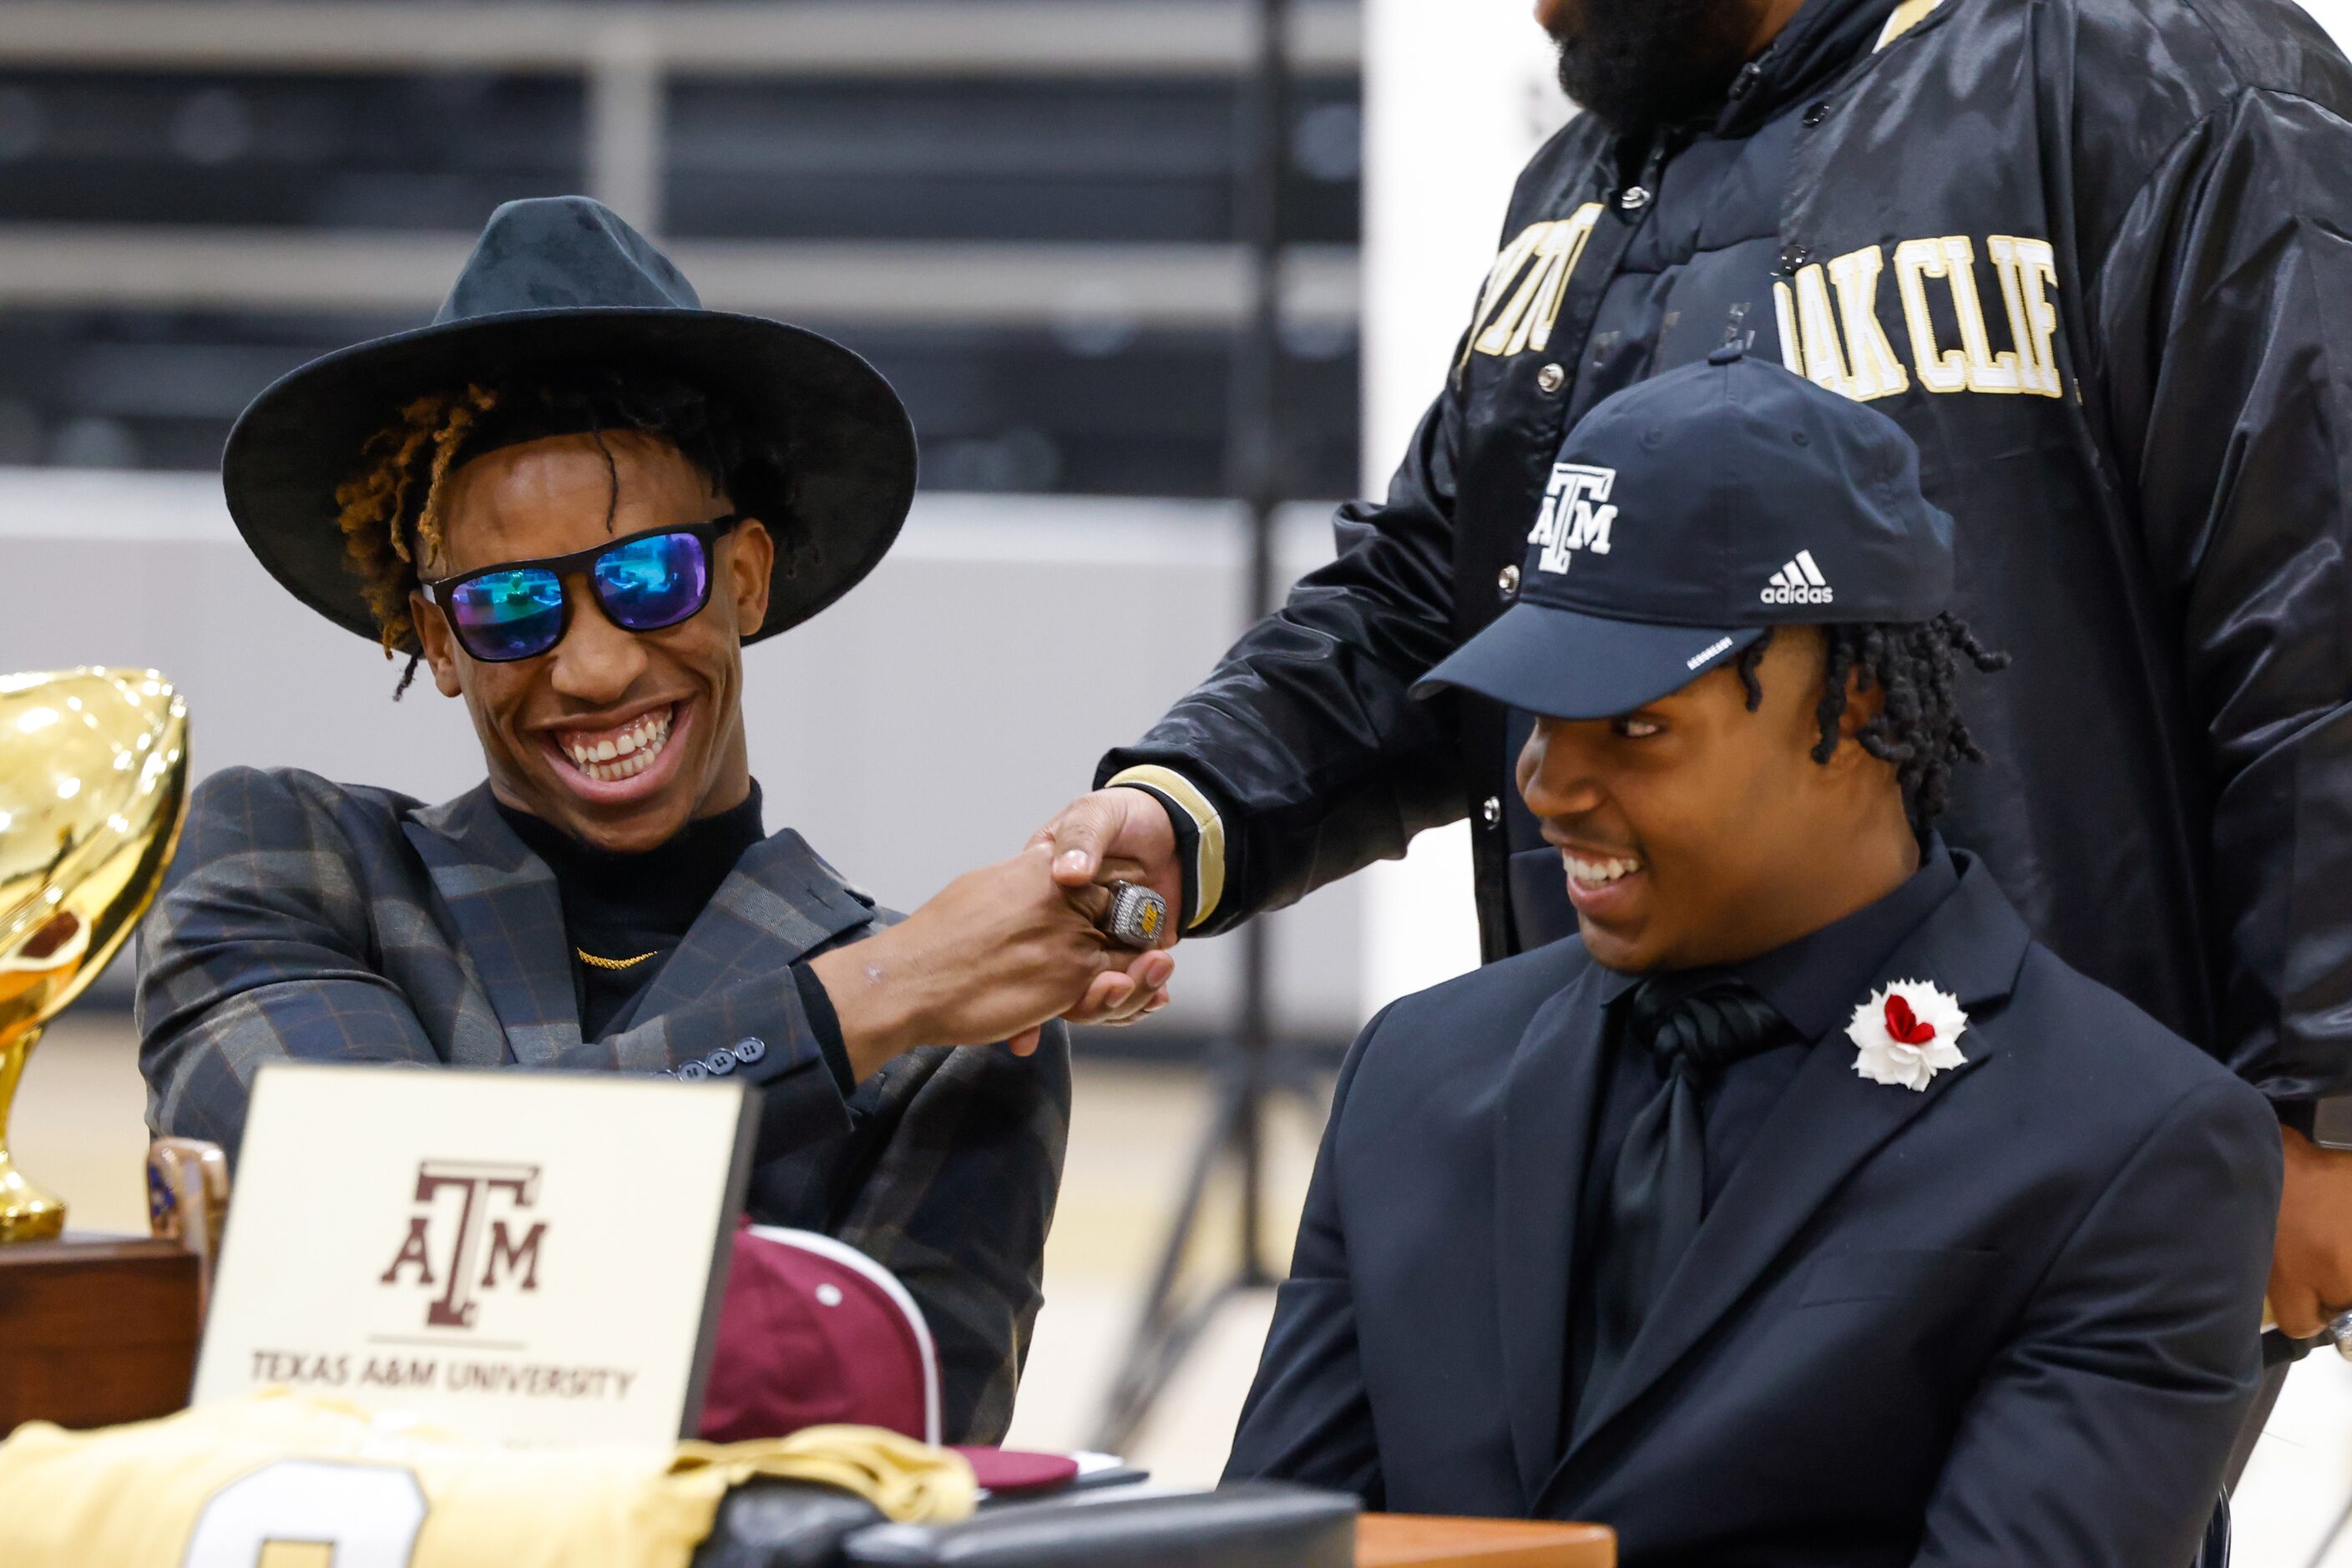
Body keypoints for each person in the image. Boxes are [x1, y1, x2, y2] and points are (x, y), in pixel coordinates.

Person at [1034, 0, 2352, 1341]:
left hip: (2040, 1133)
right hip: (1639, 1113)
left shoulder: (2141, 68)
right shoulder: (1579, 183)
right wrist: (1191, 802)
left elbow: (2318, 595)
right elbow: (1440, 588)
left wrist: (2324, 1102)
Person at [135, 196, 1171, 1444]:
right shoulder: (281, 857)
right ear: (437, 641)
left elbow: (876, 1483)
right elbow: (365, 1196)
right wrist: (866, 1000)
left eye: (645, 579)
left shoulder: (966, 1042)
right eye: (511, 606)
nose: (590, 669)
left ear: (742, 576)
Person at [1223, 349, 2280, 1565]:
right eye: (1533, 707)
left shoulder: (2131, 1146)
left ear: (1862, 701)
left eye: (1632, 724)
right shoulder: (1414, 1074)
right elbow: (1268, 1548)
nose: (1546, 782)